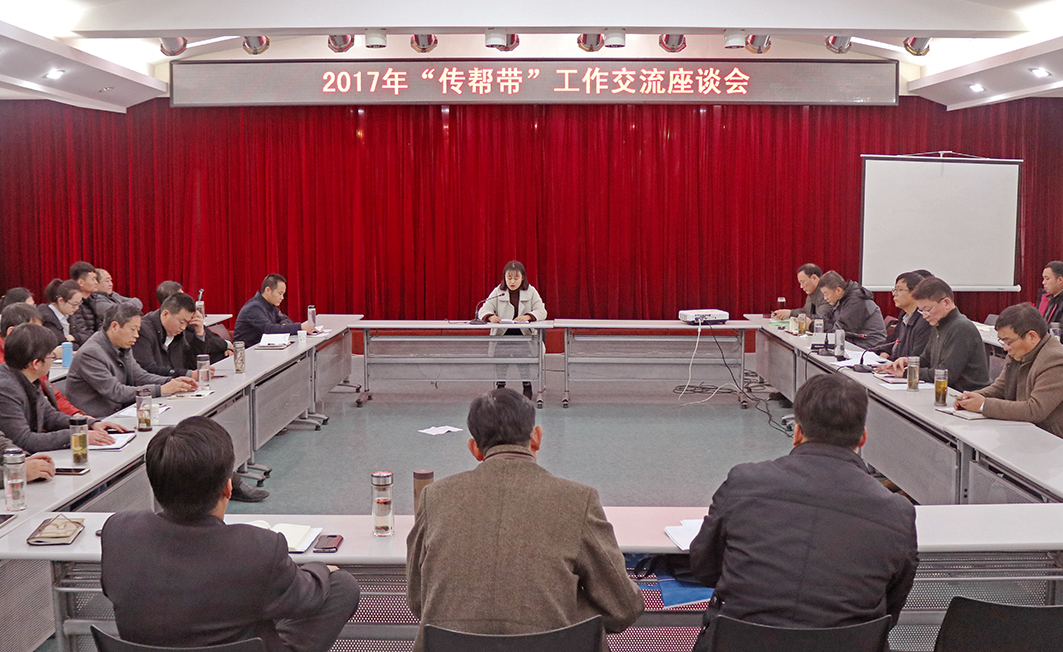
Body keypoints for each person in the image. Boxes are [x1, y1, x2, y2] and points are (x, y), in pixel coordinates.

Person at [406, 388, 644, 652]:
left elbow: (418, 600)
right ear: (536, 437)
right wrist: (565, 613)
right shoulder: (579, 499)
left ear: (475, 449)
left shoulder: (434, 497)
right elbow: (624, 608)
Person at [101, 416, 360, 652]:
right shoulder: (258, 548)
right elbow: (308, 598)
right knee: (340, 585)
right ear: (228, 488)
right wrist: (321, 569)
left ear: (154, 484)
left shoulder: (118, 531)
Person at [688, 374, 917, 637]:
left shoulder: (744, 482)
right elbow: (891, 605)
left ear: (797, 433)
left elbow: (705, 567)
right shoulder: (897, 512)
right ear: (862, 438)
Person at [0, 324, 124, 453]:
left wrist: (90, 424)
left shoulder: (28, 378)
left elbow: (50, 416)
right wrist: (77, 436)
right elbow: (23, 440)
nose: (52, 360)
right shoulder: (6, 389)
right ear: (36, 363)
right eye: (51, 356)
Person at [65, 302, 197, 418]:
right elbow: (116, 392)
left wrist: (171, 381)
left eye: (138, 330)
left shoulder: (122, 345)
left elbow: (139, 376)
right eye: (133, 329)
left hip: (120, 413)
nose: (136, 335)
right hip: (97, 419)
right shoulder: (91, 354)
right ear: (114, 326)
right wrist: (161, 389)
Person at [955, 303, 1063, 437]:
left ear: (1032, 336)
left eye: (1009, 342)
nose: (1005, 348)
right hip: (1022, 430)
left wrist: (983, 405)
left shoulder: (1056, 359)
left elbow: (1035, 410)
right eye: (1003, 342)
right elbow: (1000, 388)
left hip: (1050, 439)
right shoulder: (1019, 352)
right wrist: (971, 397)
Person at [882, 277, 990, 391]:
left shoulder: (961, 327)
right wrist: (908, 362)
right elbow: (926, 359)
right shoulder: (937, 323)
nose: (924, 316)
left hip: (965, 394)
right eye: (921, 311)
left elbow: (946, 374)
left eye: (928, 310)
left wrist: (908, 373)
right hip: (945, 391)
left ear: (946, 303)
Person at [476, 261, 547, 400]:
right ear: (504, 278)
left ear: (522, 278)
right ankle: (500, 387)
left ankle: (527, 386)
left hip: (524, 334)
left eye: (516, 278)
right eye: (509, 278)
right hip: (503, 334)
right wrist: (490, 316)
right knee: (501, 359)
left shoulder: (531, 292)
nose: (512, 282)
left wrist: (528, 316)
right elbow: (484, 309)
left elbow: (542, 311)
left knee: (523, 358)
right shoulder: (498, 292)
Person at [0, 303, 82, 416]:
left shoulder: (29, 355)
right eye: (34, 331)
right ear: (12, 332)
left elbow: (50, 393)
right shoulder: (8, 369)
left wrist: (76, 415)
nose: (39, 336)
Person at [133, 292, 227, 378]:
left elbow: (192, 366)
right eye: (181, 322)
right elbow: (148, 370)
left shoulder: (178, 333)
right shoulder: (143, 331)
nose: (183, 327)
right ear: (165, 314)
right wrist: (189, 374)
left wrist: (199, 332)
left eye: (187, 323)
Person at [233, 274, 317, 347]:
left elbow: (285, 319)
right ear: (268, 290)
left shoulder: (269, 304)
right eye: (280, 293)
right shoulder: (253, 308)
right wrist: (299, 327)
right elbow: (269, 329)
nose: (282, 298)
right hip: (248, 352)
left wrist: (283, 325)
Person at [817, 270, 888, 348]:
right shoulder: (842, 299)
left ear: (838, 290)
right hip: (856, 343)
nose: (825, 298)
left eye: (826, 293)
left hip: (870, 346)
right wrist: (815, 323)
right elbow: (829, 319)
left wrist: (814, 325)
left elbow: (840, 331)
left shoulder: (856, 301)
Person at [871, 271, 931, 360]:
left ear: (914, 292)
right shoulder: (904, 315)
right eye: (894, 290)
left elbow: (915, 357)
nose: (894, 294)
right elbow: (894, 340)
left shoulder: (925, 321)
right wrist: (884, 351)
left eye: (899, 290)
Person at [38, 279, 82, 348]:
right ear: (61, 300)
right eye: (74, 304)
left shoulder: (69, 315)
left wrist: (75, 337)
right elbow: (60, 343)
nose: (77, 308)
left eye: (79, 304)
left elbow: (86, 335)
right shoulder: (47, 319)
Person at [69, 261, 101, 346]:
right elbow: (82, 333)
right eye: (93, 279)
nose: (96, 282)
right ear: (81, 282)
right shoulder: (74, 305)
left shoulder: (93, 299)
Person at [1038, 261, 1063, 326]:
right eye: (1043, 279)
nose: (1043, 282)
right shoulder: (1044, 298)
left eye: (1047, 279)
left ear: (1060, 280)